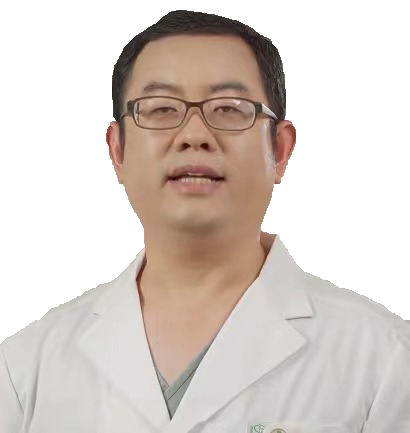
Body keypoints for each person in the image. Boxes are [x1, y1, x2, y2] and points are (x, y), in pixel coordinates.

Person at [1, 10, 409, 433]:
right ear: (117, 150)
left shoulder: (385, 360)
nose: (194, 135)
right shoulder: (24, 371)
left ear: (280, 150)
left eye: (229, 109)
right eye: (161, 109)